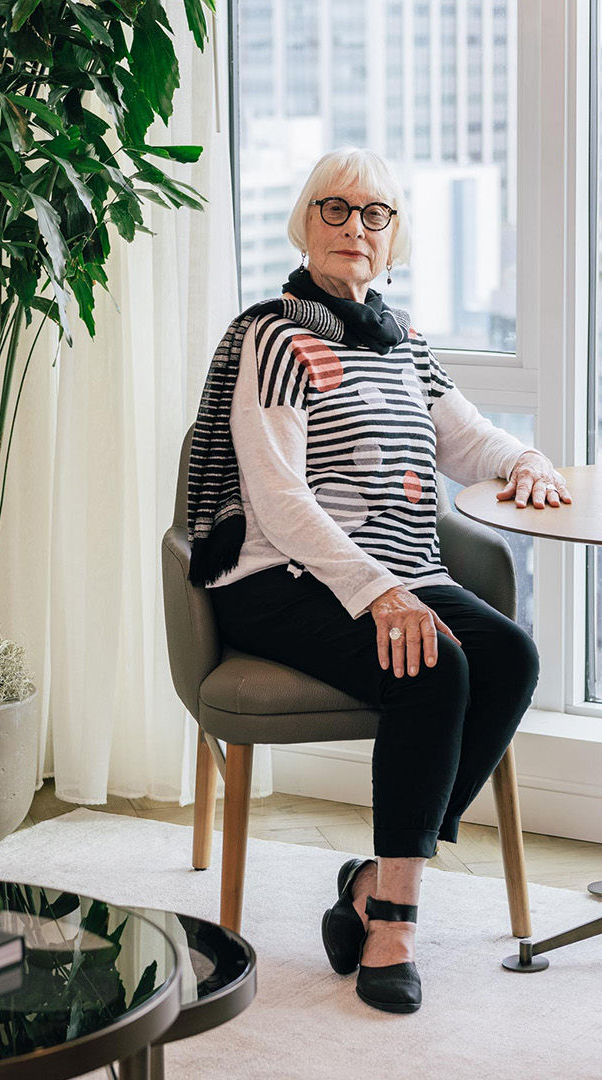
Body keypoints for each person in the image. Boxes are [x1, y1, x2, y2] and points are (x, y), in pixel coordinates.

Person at [183, 147, 569, 1014]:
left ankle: (368, 879)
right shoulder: (275, 337)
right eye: (336, 209)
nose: (355, 227)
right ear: (304, 224)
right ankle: (394, 920)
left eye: (375, 214)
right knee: (435, 666)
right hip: (282, 577)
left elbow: (471, 442)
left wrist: (529, 458)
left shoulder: (404, 346)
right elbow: (279, 502)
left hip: (398, 574)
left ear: (393, 240)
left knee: (509, 656)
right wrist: (380, 593)